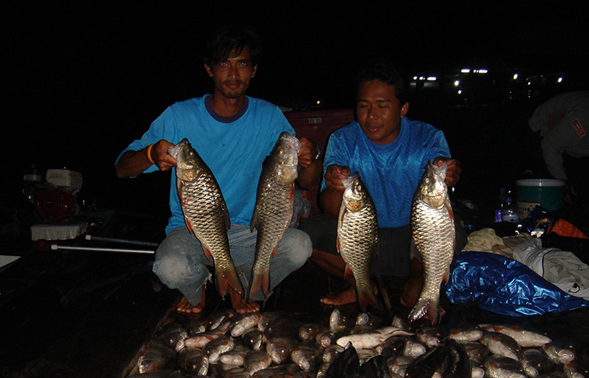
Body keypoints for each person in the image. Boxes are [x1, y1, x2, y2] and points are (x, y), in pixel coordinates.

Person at [116, 27, 320, 315]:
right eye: (224, 63)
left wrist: (313, 158)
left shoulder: (269, 116)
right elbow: (122, 168)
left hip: (249, 229)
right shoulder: (179, 116)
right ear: (209, 69)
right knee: (168, 267)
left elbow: (308, 181)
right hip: (194, 229)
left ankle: (241, 282)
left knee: (300, 246)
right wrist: (150, 154)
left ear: (254, 70)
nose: (233, 73)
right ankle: (203, 283)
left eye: (242, 63)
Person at [299, 60, 464, 312]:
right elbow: (331, 211)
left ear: (403, 109)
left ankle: (418, 279)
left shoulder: (428, 137)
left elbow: (442, 192)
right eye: (364, 106)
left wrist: (449, 172)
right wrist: (334, 188)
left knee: (456, 233)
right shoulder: (343, 139)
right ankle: (361, 285)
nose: (371, 116)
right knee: (305, 236)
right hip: (361, 242)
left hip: (413, 240)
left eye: (382, 106)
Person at [528, 91, 589, 203]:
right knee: (555, 191)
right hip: (542, 132)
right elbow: (549, 146)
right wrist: (562, 181)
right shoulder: (583, 117)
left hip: (569, 145)